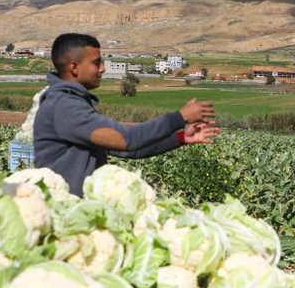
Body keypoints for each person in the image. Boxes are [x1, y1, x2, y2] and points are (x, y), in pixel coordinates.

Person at [33, 33, 219, 195]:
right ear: (74, 67)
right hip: (63, 216)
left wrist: (181, 137)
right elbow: (127, 139)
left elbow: (128, 148)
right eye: (97, 63)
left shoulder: (74, 104)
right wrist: (179, 117)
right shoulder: (65, 107)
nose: (103, 69)